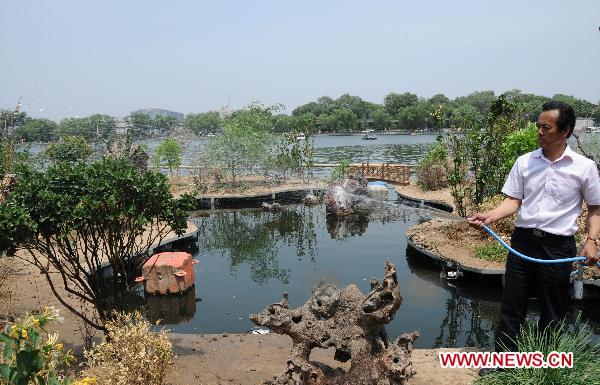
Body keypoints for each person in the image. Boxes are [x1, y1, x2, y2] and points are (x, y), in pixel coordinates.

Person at [468, 100, 600, 352]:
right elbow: (513, 200)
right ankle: (503, 364)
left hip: (558, 247)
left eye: (546, 128)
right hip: (523, 242)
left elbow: (595, 208)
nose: (539, 132)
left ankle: (545, 368)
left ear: (565, 131)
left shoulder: (584, 167)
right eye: (538, 126)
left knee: (553, 309)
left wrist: (591, 241)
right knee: (511, 305)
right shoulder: (525, 162)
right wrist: (491, 216)